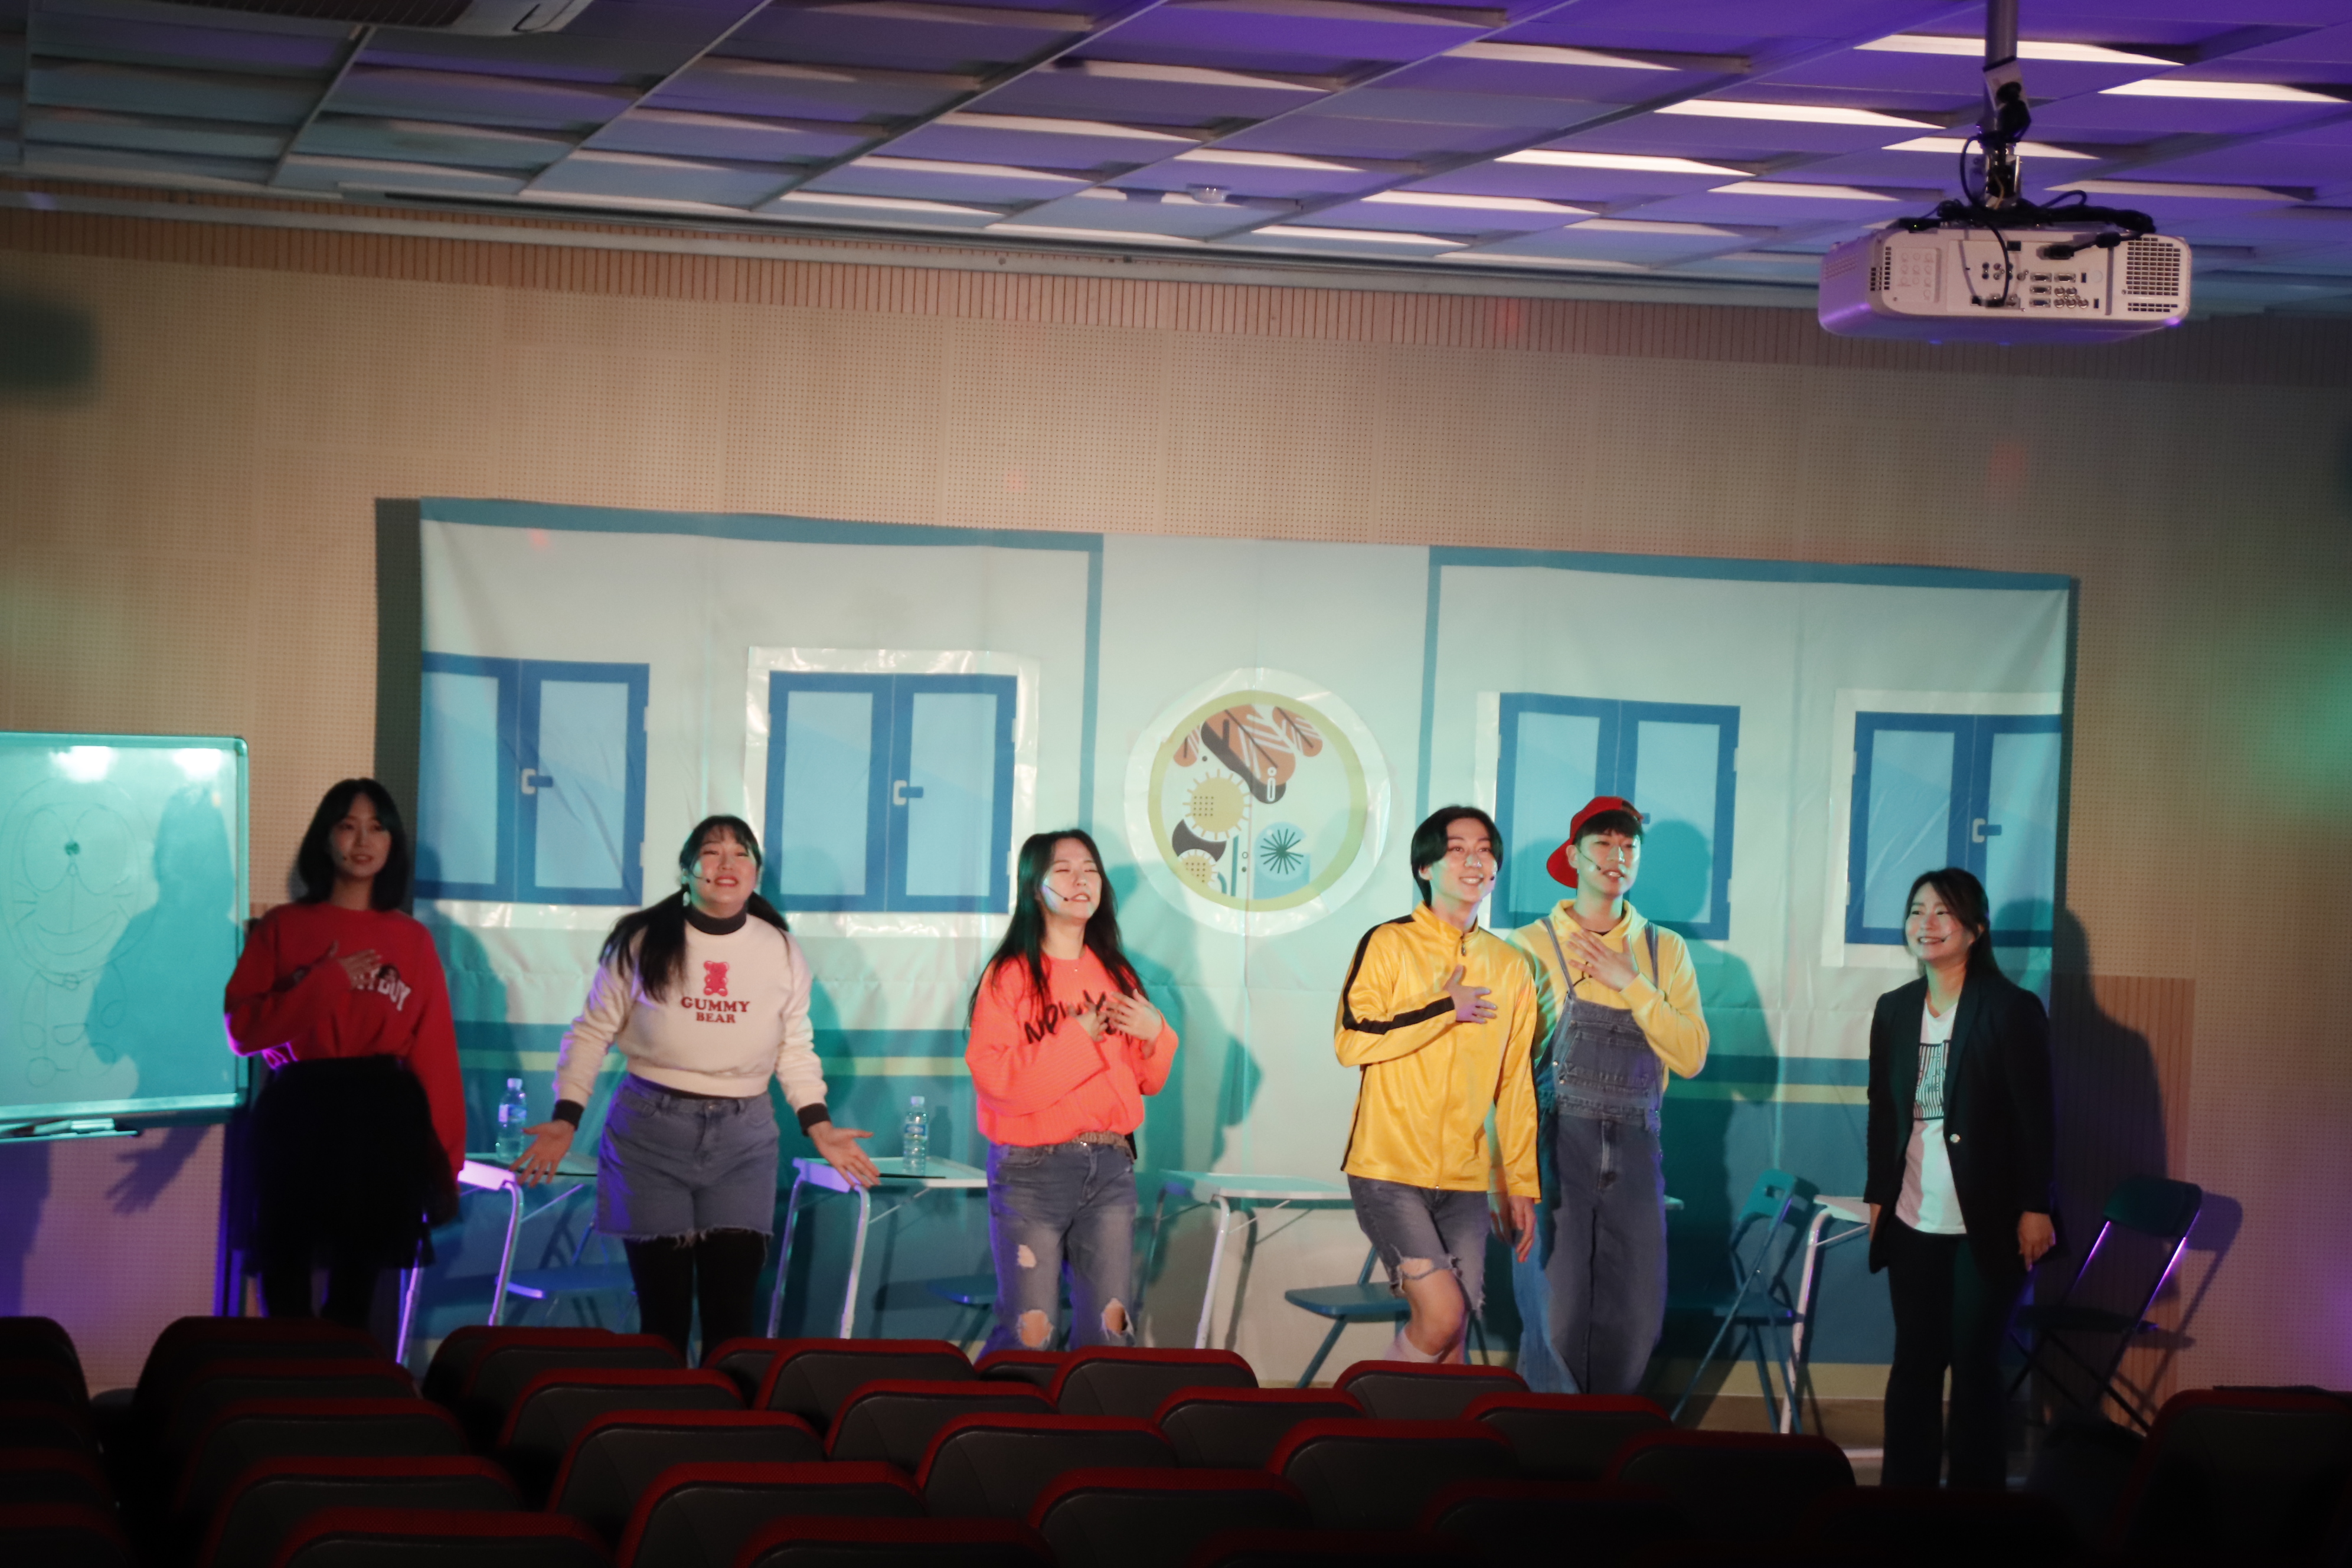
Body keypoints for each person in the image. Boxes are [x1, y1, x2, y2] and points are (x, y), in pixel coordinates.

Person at [512, 815, 879, 1360]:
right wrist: (566, 1118)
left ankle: (727, 1414)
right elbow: (591, 1033)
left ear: (755, 873)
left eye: (741, 853)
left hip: (744, 1140)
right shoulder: (642, 940)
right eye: (712, 851)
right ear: (686, 870)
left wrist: (819, 1125)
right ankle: (664, 1414)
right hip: (650, 1135)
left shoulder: (780, 949)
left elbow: (794, 1048)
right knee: (663, 1318)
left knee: (732, 1318)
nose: (727, 863)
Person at [224, 779, 464, 1328]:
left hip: (381, 1119)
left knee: (356, 1294)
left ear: (392, 843)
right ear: (325, 837)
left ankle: (343, 1381)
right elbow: (243, 1031)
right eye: (348, 826)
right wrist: (326, 982)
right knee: (284, 1280)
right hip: (300, 1114)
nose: (362, 841)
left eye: (377, 828)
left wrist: (446, 1163)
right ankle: (288, 1380)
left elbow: (434, 1056)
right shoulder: (284, 926)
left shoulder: (412, 939)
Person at [1507, 795, 1708, 1394]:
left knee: (1636, 1313)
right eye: (1602, 843)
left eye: (1629, 846)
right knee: (1558, 1312)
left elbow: (1691, 1056)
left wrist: (1632, 983)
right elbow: (1505, 1068)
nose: (1616, 856)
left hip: (1637, 1148)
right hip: (1555, 1147)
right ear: (1573, 856)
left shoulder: (1665, 950)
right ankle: (1548, 1438)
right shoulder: (1528, 945)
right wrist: (1510, 1172)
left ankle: (1609, 1439)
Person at [1867, 867, 2055, 1489]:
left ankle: (1976, 1507)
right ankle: (1905, 1499)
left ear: (1975, 929)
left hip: (1988, 1220)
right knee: (1915, 1362)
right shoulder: (1894, 1009)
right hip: (1913, 1216)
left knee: (1974, 1365)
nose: (1926, 923)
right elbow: (1884, 1111)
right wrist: (1879, 1195)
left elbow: (2037, 1119)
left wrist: (2036, 1205)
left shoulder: (2011, 1009)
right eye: (1917, 910)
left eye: (1943, 912)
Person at [1336, 806, 1540, 1364]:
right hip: (1388, 1169)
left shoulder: (1511, 966)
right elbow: (1352, 1041)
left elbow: (1515, 1083)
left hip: (1466, 1180)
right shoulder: (1388, 943)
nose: (1474, 861)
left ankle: (1415, 1424)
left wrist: (1520, 1182)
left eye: (1485, 850)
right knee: (1443, 1315)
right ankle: (1360, 1406)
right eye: (1457, 850)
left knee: (1454, 1335)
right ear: (1425, 868)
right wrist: (1443, 1008)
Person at [966, 829, 1175, 1353]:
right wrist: (1076, 1040)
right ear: (1034, 889)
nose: (1081, 880)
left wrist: (1157, 1035)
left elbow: (1147, 1080)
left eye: (1090, 870)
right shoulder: (1010, 976)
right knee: (1031, 1332)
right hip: (1032, 1171)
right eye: (1063, 869)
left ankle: (1092, 1411)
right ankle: (1004, 1408)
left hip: (1110, 1166)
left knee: (1111, 1331)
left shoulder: (1117, 973)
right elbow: (996, 1081)